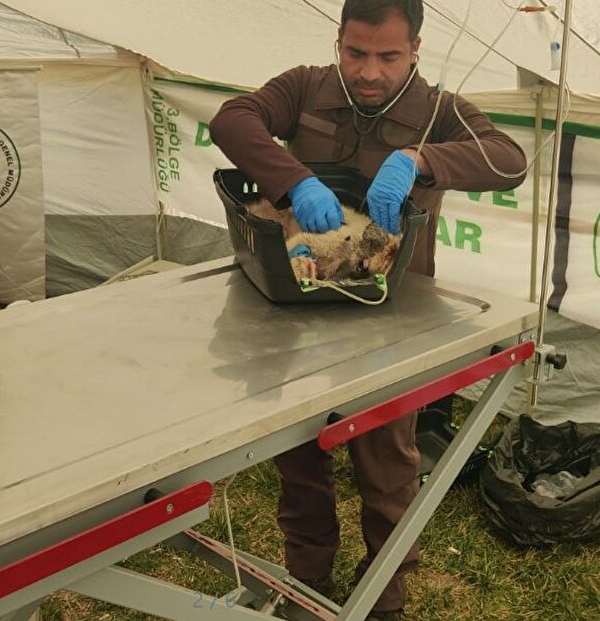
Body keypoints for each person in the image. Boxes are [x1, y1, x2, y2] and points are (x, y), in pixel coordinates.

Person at [208, 0, 527, 618]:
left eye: (388, 56)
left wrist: (421, 160)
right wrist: (294, 180)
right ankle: (306, 580)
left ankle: (384, 595)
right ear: (339, 42)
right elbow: (233, 119)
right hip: (300, 299)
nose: (370, 72)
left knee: (388, 464)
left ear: (415, 51)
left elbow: (509, 160)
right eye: (356, 53)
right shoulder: (304, 86)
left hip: (391, 313)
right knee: (299, 452)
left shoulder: (440, 111)